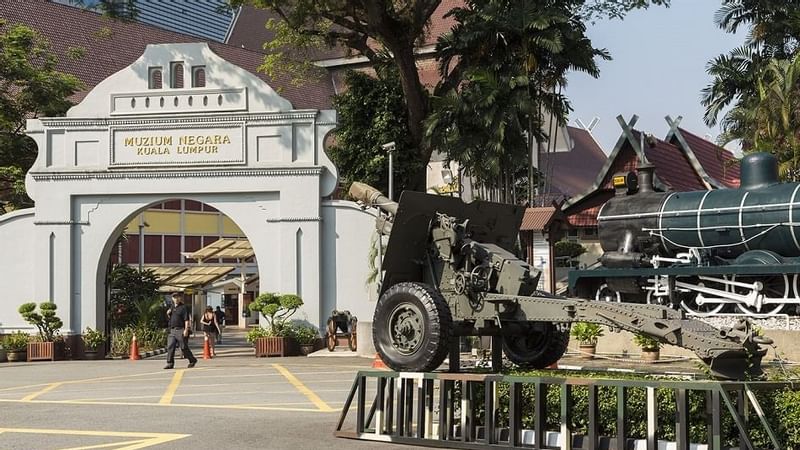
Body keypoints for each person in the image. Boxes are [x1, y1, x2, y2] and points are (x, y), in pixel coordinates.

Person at [164, 292, 198, 369]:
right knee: (170, 346)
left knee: (183, 347)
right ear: (172, 299)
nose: (176, 299)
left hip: (180, 329)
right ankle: (170, 363)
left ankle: (192, 360)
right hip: (172, 330)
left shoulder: (183, 307)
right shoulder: (172, 307)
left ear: (180, 298)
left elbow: (186, 319)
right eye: (174, 297)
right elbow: (171, 318)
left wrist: (186, 329)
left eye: (177, 297)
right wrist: (168, 314)